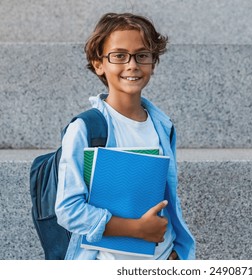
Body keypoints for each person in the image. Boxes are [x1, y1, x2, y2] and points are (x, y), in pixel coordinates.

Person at [55, 12, 196, 260]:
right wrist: (137, 229)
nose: (132, 64)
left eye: (142, 55)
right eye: (119, 56)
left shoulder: (163, 126)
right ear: (99, 64)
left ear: (153, 62)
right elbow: (69, 211)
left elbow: (165, 197)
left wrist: (174, 253)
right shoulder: (86, 129)